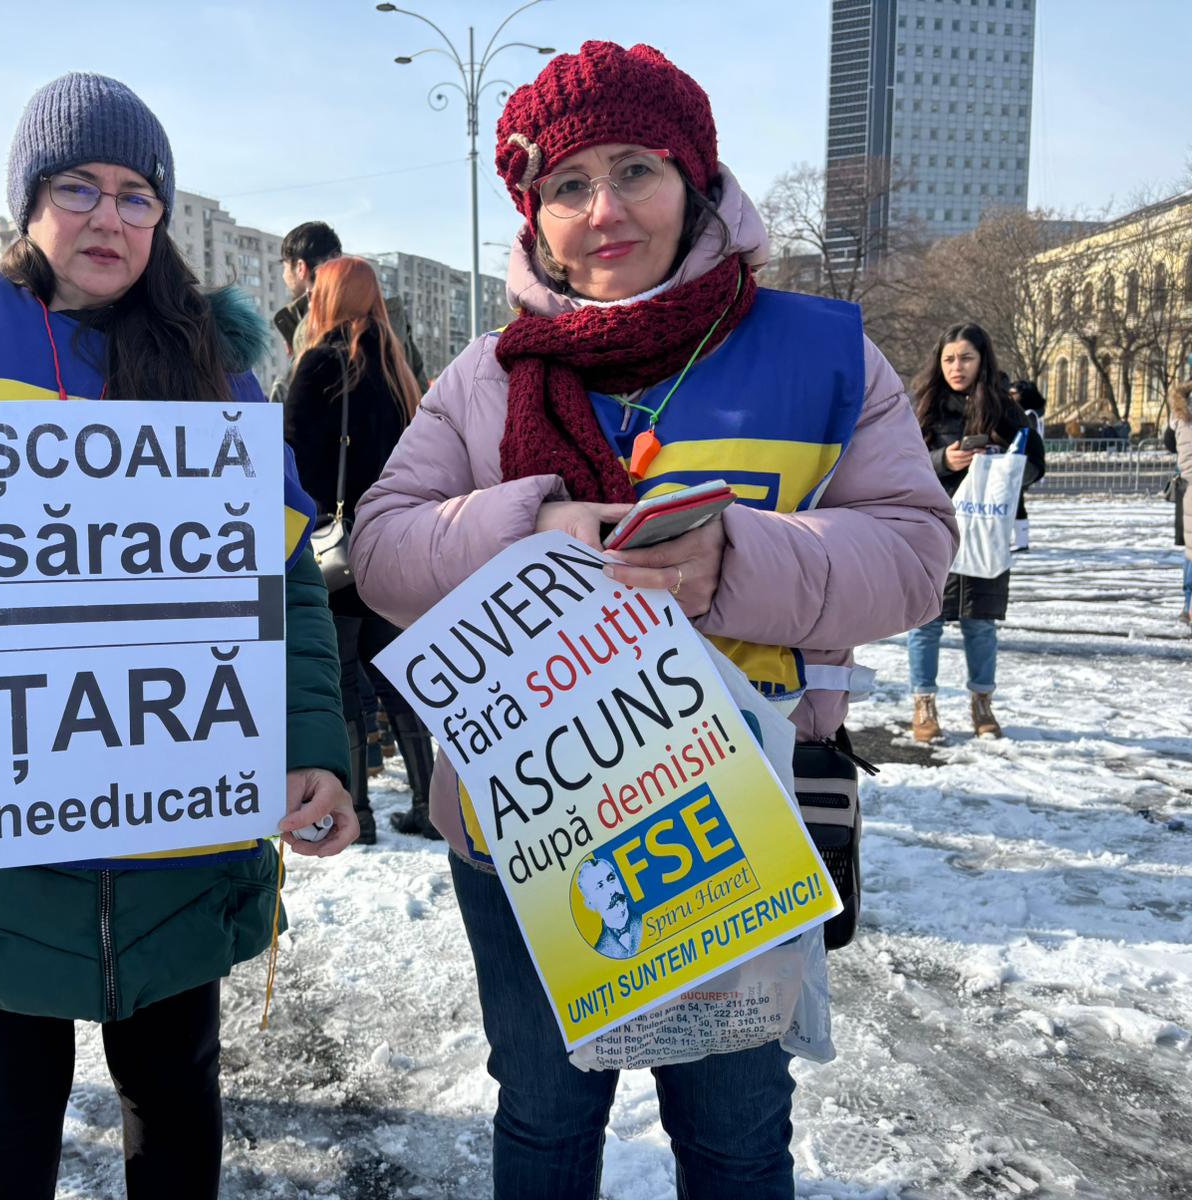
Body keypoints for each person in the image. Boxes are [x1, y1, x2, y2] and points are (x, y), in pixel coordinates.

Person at [350, 41, 955, 1200]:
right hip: (525, 820)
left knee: (733, 1131)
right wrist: (527, 525)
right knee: (542, 1116)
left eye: (635, 169)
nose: (603, 209)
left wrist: (736, 558)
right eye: (567, 185)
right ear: (533, 214)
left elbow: (916, 556)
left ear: (694, 177)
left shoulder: (820, 352)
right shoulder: (485, 374)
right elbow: (380, 549)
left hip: (732, 820)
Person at [0, 73, 355, 1198]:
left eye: (138, 194)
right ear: (27, 199)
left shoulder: (215, 369)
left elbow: (280, 584)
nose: (108, 216)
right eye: (77, 186)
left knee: (176, 1109)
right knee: (2, 1125)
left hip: (176, 830)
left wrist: (313, 745)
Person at [282, 255, 435, 843]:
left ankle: (359, 813)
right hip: (392, 544)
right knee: (396, 675)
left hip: (336, 545)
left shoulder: (323, 361)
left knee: (343, 675)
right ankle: (426, 802)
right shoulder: (397, 365)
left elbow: (291, 451)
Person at [906, 323, 1044, 742]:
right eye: (949, 359)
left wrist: (1001, 467)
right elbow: (901, 463)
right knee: (926, 623)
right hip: (935, 530)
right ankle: (924, 704)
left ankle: (982, 703)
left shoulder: (1006, 409)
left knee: (981, 624)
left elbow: (1035, 465)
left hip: (986, 533)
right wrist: (944, 460)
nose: (956, 367)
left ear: (982, 360)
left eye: (966, 358)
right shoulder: (925, 406)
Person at [273, 219, 426, 394]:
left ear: (300, 267)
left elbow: (303, 401)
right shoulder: (387, 319)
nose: (284, 275)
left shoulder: (318, 325)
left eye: (284, 266)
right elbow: (421, 390)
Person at [574, 859, 641, 960]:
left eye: (611, 878)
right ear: (590, 904)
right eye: (600, 886)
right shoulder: (599, 953)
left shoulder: (647, 918)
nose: (612, 890)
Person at [1008, 378, 1045, 552]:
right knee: (1016, 501)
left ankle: (1021, 541)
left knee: (1017, 502)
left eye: (1014, 393)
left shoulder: (1028, 414)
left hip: (1024, 460)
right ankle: (1019, 541)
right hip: (1021, 460)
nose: (1010, 396)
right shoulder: (1029, 413)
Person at [1166, 382, 1192, 624]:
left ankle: (1188, 604)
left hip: (1187, 487)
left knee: (1191, 550)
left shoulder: (1179, 413)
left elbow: (1169, 443)